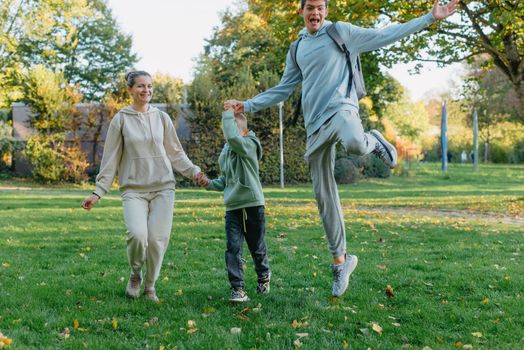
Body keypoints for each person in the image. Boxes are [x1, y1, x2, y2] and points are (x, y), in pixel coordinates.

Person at [225, 0, 459, 297]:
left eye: (321, 7)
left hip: (342, 110)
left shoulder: (341, 32)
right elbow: (283, 89)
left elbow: (384, 34)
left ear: (326, 10)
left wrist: (429, 18)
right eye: (310, 7)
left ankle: (373, 140)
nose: (316, 12)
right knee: (324, 196)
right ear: (302, 11)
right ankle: (340, 261)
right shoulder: (297, 47)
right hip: (315, 125)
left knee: (355, 142)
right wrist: (247, 104)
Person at [82, 71, 209, 302]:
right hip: (133, 189)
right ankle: (135, 274)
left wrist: (194, 171)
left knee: (158, 239)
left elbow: (175, 152)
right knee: (138, 236)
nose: (146, 90)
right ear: (129, 89)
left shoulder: (162, 118)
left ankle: (150, 286)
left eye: (149, 86)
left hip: (163, 188)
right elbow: (110, 159)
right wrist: (97, 192)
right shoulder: (120, 120)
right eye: (141, 86)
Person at [205, 107, 270, 303]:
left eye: (230, 128)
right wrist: (208, 183)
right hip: (233, 207)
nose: (227, 133)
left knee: (256, 247)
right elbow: (225, 180)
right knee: (233, 247)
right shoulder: (227, 150)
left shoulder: (249, 144)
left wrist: (227, 112)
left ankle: (264, 277)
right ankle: (237, 288)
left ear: (240, 130)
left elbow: (234, 139)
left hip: (252, 204)